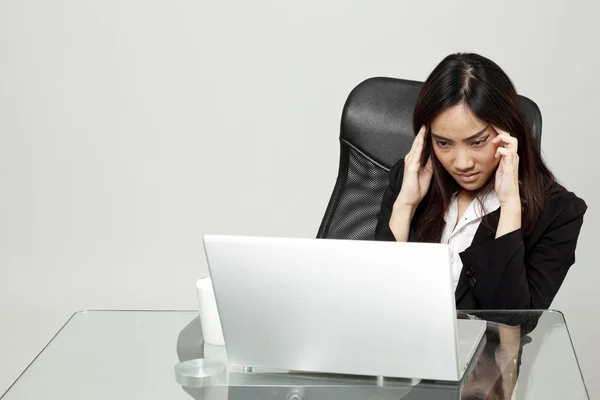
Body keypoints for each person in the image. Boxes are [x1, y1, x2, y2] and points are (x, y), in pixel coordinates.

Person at [375, 53, 587, 310]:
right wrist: (405, 205)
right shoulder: (409, 180)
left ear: (508, 131)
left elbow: (513, 322)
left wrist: (510, 206)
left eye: (477, 142)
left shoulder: (558, 212)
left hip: (487, 350)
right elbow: (376, 299)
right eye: (443, 143)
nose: (462, 162)